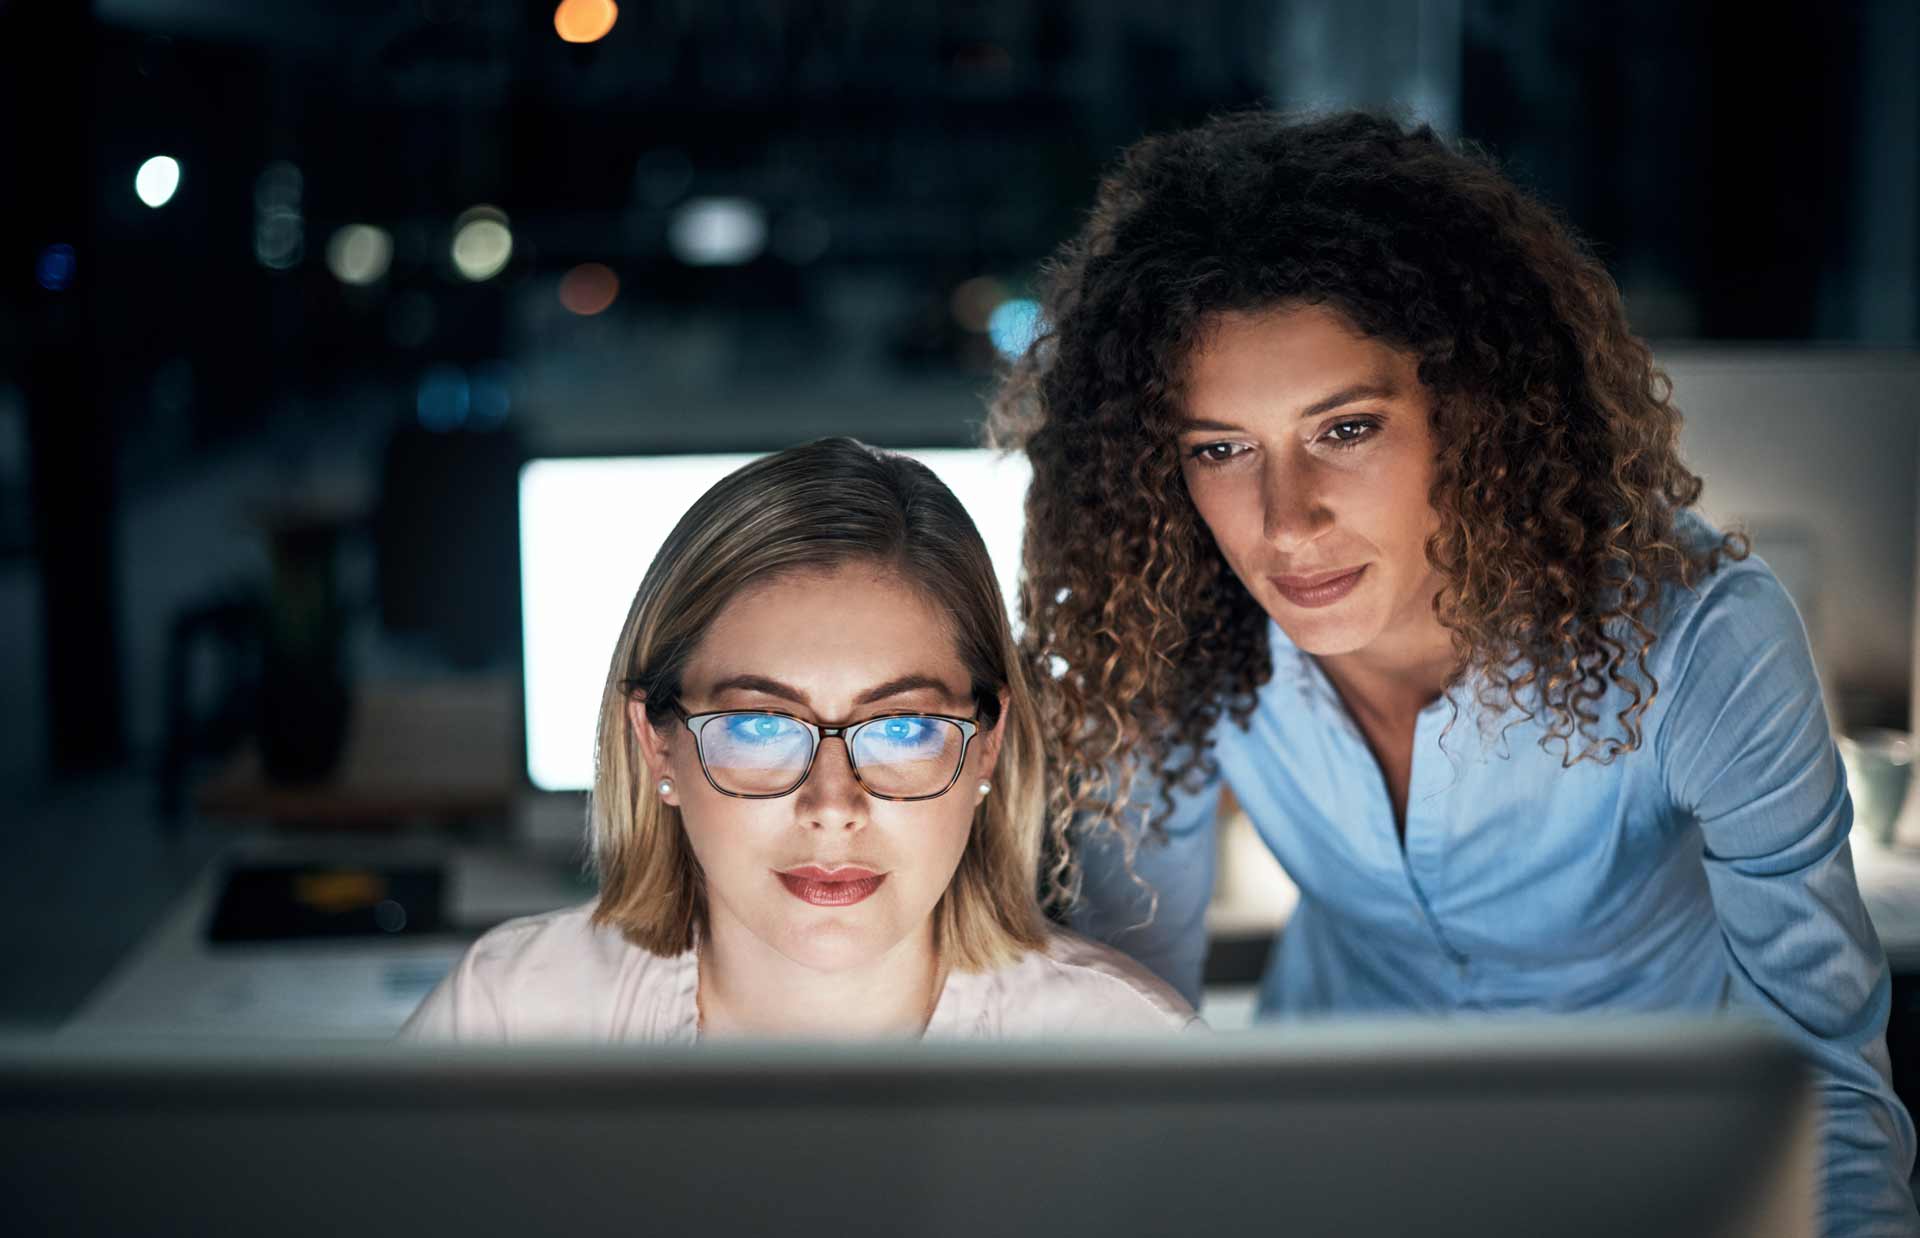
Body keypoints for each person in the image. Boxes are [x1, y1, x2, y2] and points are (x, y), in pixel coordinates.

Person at [990, 110, 1917, 1231]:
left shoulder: (1696, 634)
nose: (1286, 523)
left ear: (1470, 413)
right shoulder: (1168, 623)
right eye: (1222, 449)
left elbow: (1826, 1066)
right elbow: (1126, 1011)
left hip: (1657, 1186)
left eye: (1345, 429)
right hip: (1325, 1169)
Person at [402, 437, 1196, 1042]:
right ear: (656, 746)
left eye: (906, 727)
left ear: (986, 748)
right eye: (758, 725)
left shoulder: (1127, 1051)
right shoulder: (507, 1019)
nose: (832, 805)